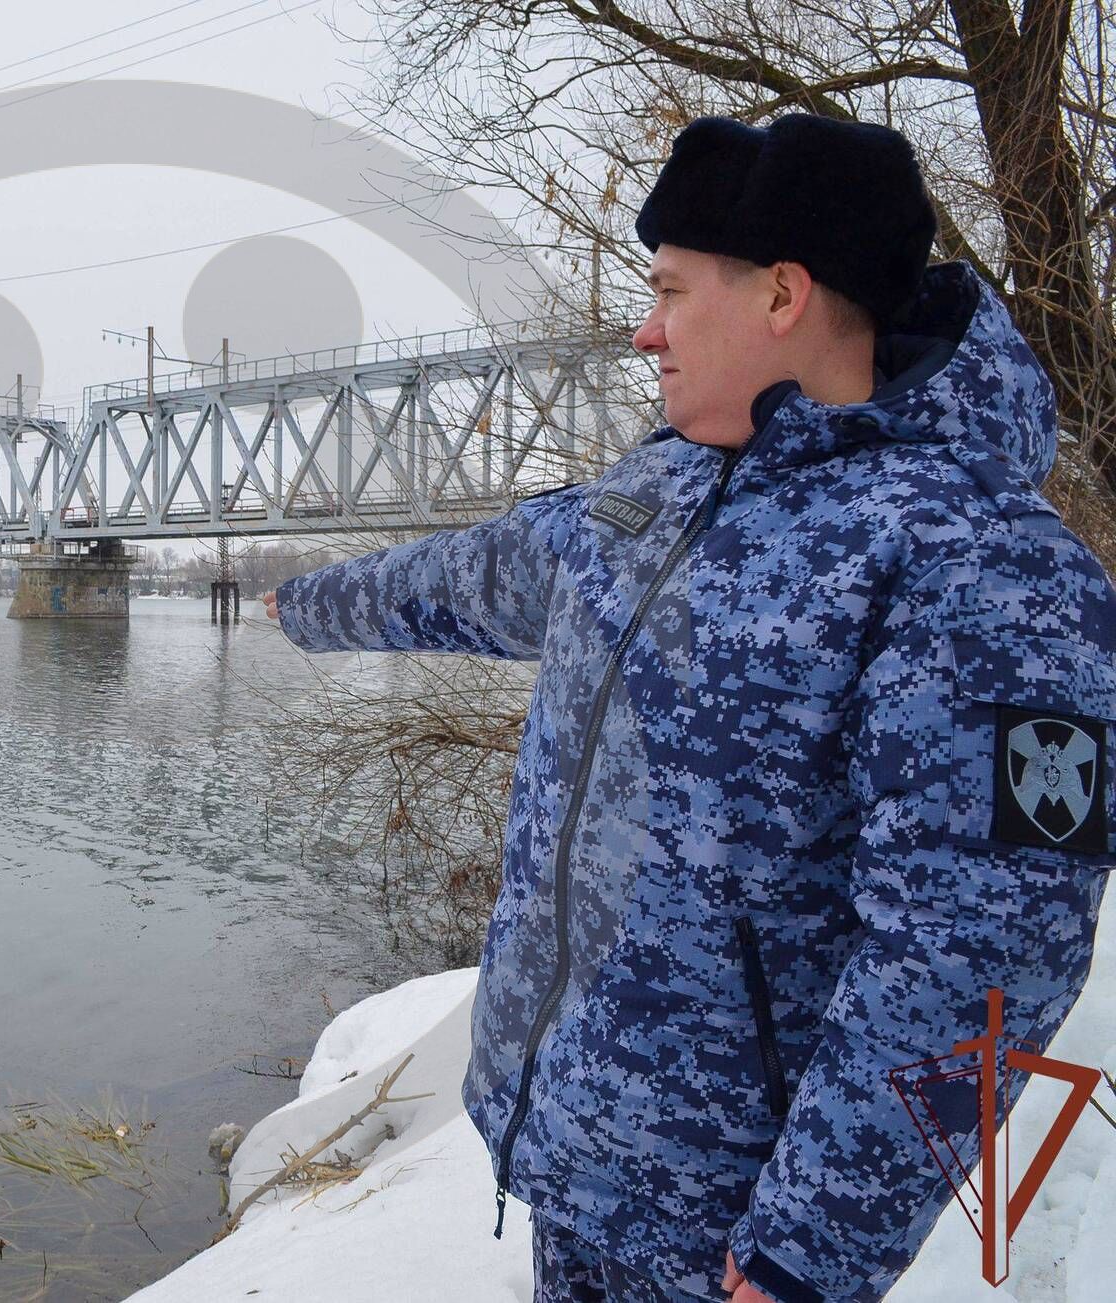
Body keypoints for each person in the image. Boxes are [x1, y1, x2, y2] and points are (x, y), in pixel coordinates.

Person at [263, 113, 1116, 1302]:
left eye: (668, 289)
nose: (642, 327)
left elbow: (978, 947)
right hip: (572, 1165)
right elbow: (465, 579)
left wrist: (804, 1250)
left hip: (730, 1237)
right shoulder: (649, 497)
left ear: (780, 294)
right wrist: (294, 604)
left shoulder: (974, 563)